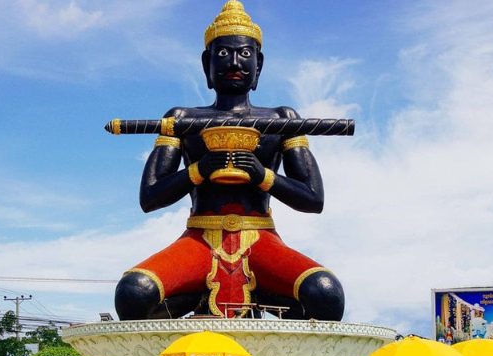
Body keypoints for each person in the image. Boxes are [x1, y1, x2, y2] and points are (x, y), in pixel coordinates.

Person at [114, 0, 344, 321]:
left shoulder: (282, 119)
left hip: (261, 240)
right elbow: (149, 198)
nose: (234, 61)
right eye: (223, 54)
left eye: (245, 54)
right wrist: (198, 171)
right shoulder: (181, 119)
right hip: (198, 241)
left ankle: (268, 310)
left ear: (259, 65)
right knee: (133, 293)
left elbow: (313, 199)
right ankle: (192, 299)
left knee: (326, 292)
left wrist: (262, 175)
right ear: (207, 63)